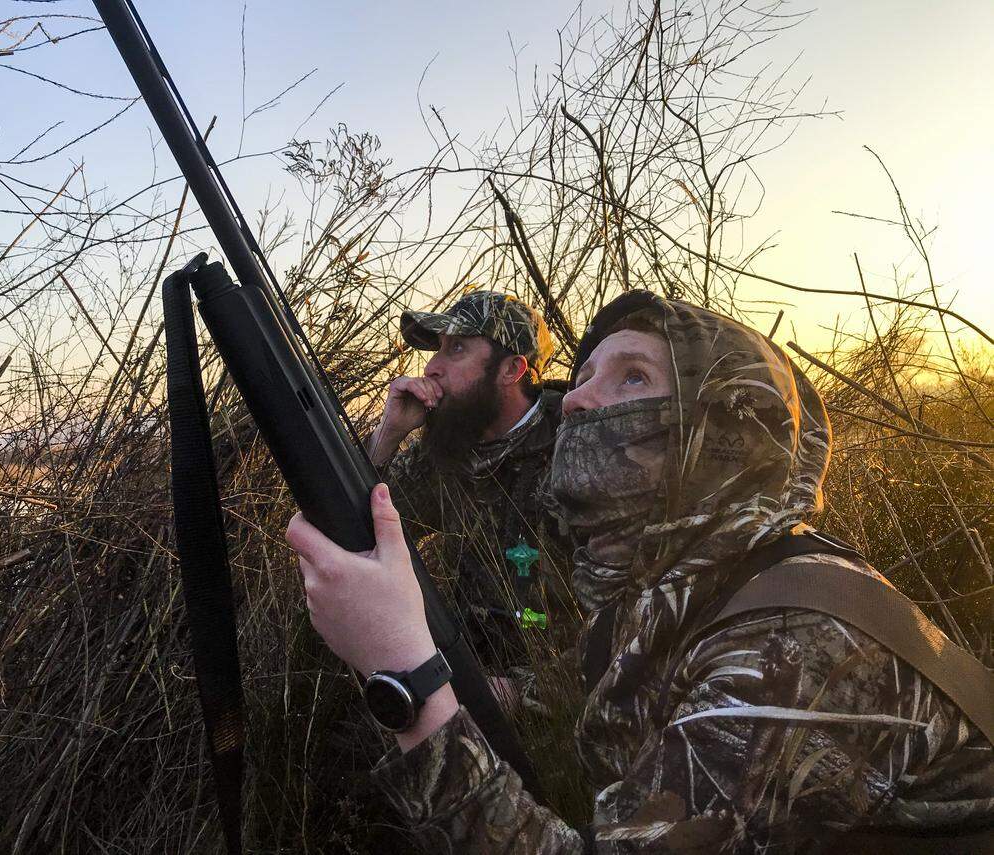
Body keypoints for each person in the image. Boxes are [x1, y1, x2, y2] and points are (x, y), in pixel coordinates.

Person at [287, 290, 994, 852]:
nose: (582, 401)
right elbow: (376, 511)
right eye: (588, 375)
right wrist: (388, 432)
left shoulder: (793, 646)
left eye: (631, 376)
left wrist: (407, 673)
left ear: (718, 428)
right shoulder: (666, 564)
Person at [365, 289, 577, 701]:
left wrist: (523, 692)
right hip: (466, 676)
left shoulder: (578, 447)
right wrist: (389, 433)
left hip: (565, 705)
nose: (432, 367)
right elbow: (369, 525)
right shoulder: (448, 448)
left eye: (456, 349)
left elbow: (633, 624)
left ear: (512, 369)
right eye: (437, 350)